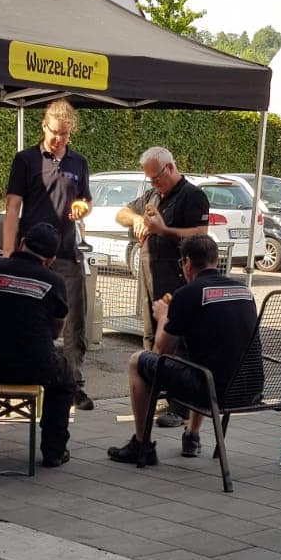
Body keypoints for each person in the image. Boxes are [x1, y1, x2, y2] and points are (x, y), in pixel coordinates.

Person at [107, 233, 260, 467]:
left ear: (187, 262)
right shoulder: (244, 291)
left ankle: (141, 444)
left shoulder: (187, 294)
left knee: (138, 361)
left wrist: (163, 317)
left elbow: (161, 352)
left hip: (212, 391)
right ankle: (192, 435)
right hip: (250, 388)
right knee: (199, 356)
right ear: (216, 259)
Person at [0, 222, 75, 468]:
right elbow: (56, 331)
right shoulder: (54, 281)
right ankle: (54, 451)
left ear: (22, 243)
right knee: (65, 378)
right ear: (51, 259)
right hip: (37, 367)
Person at [3, 99, 94, 409]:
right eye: (55, 133)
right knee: (27, 318)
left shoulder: (79, 162)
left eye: (65, 134)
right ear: (43, 126)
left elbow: (85, 201)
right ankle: (25, 378)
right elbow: (12, 207)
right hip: (30, 256)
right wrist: (8, 252)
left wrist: (82, 207)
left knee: (72, 321)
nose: (59, 140)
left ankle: (72, 384)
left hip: (67, 253)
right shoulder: (25, 160)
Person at [115, 146, 209, 428]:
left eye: (157, 177)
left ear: (170, 167)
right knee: (150, 335)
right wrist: (137, 219)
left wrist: (164, 231)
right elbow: (121, 213)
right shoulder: (152, 196)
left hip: (176, 278)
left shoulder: (192, 196)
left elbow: (201, 234)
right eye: (150, 179)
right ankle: (152, 392)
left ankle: (180, 406)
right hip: (149, 274)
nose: (154, 183)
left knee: (176, 339)